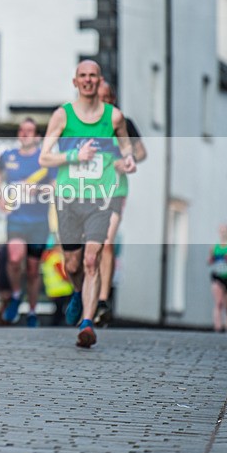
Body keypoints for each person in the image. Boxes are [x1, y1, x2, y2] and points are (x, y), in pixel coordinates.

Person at [39, 60, 136, 348]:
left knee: (92, 259)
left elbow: (126, 145)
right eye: (83, 75)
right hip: (69, 198)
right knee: (72, 263)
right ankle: (78, 293)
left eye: (93, 75)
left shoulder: (114, 117)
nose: (88, 80)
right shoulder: (63, 116)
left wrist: (126, 159)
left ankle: (87, 323)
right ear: (75, 81)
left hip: (100, 199)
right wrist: (73, 157)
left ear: (99, 80)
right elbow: (44, 157)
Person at [0, 118, 56, 327]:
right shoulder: (9, 156)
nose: (25, 134)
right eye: (22, 130)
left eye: (30, 130)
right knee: (14, 258)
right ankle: (17, 294)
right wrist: (1, 194)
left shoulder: (44, 159)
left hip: (38, 221)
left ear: (37, 136)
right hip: (16, 219)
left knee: (32, 269)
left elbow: (55, 187)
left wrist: (39, 190)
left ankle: (32, 311)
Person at [93, 80, 147, 326]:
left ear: (112, 99)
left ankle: (103, 300)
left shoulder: (122, 123)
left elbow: (141, 152)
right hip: (84, 189)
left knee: (106, 242)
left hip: (115, 189)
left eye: (105, 98)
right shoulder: (84, 122)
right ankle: (87, 296)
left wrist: (126, 160)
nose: (101, 102)